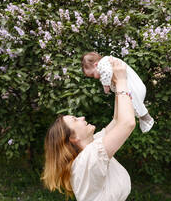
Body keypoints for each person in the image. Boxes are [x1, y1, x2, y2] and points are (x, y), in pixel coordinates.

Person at [42, 57, 135, 200]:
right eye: (75, 119)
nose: (82, 118)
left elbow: (117, 120)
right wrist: (122, 80)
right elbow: (127, 123)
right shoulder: (88, 159)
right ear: (73, 138)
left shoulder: (94, 144)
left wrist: (116, 84)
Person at [81, 52, 154, 133]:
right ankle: (142, 117)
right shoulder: (107, 62)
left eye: (92, 74)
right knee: (129, 106)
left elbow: (107, 72)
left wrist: (106, 86)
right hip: (134, 87)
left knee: (134, 103)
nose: (94, 77)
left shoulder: (103, 63)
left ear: (96, 65)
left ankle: (145, 117)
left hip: (134, 88)